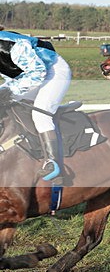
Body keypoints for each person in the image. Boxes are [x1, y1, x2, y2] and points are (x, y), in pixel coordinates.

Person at [0, 29, 71, 180]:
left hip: (53, 71)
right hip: (28, 76)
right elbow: (12, 77)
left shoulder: (11, 45)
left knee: (40, 114)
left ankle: (53, 163)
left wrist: (8, 92)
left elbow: (37, 72)